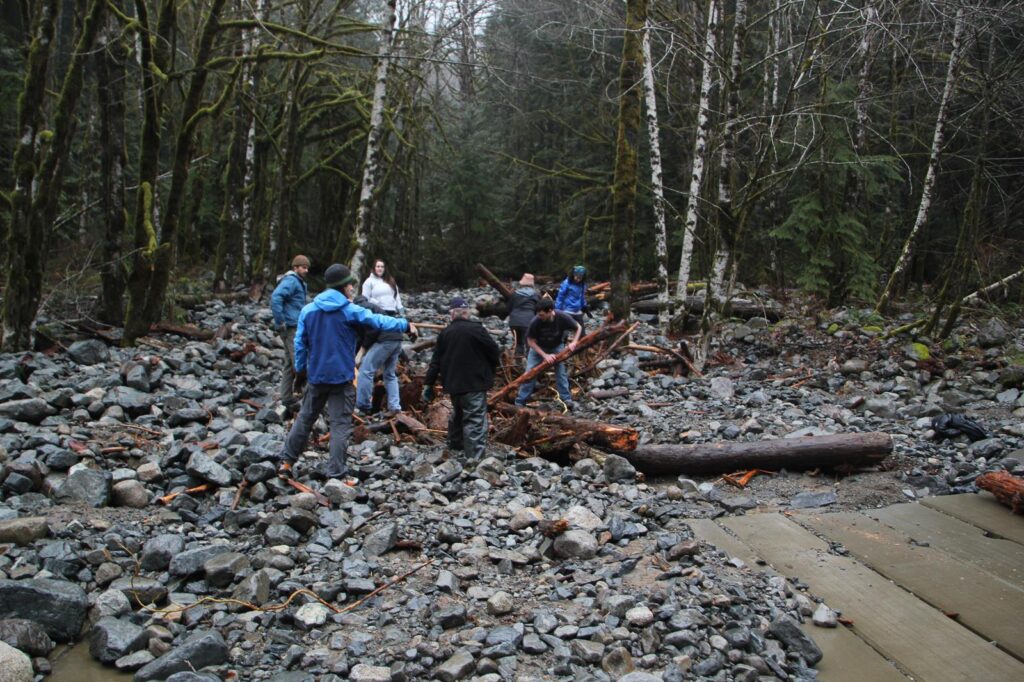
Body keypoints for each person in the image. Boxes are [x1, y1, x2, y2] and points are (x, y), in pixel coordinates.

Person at [277, 264, 416, 484]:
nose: (352, 287)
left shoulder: (308, 310)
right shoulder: (350, 311)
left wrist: (301, 371)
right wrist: (405, 325)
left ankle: (286, 463)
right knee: (340, 425)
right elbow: (379, 321)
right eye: (350, 283)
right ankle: (337, 474)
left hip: (316, 376)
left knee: (305, 419)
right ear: (343, 286)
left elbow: (300, 344)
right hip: (342, 378)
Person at [422, 297, 501, 461]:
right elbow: (494, 351)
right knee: (475, 420)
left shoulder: (445, 333)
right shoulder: (477, 329)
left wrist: (428, 384)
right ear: (467, 313)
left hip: (453, 384)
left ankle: (455, 449)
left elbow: (435, 362)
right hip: (475, 382)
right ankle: (475, 459)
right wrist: (491, 370)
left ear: (452, 314)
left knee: (458, 414)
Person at [515, 298, 582, 410]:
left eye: (542, 315)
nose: (540, 317)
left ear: (550, 311)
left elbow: (578, 327)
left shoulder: (562, 317)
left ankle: (566, 399)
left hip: (557, 346)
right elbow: (530, 341)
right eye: (538, 314)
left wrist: (574, 342)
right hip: (539, 348)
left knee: (561, 372)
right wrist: (545, 355)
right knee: (530, 372)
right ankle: (520, 401)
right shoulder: (535, 321)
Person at [353, 291, 406, 417]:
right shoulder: (375, 307)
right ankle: (395, 407)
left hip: (385, 340)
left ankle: (363, 406)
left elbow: (372, 331)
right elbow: (363, 336)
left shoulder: (361, 310)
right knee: (390, 374)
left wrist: (362, 351)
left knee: (366, 371)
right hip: (397, 338)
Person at [270, 255, 309, 407]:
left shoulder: (296, 281)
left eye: (307, 268)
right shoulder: (292, 281)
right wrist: (280, 322)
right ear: (295, 267)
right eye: (303, 267)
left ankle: (286, 397)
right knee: (299, 362)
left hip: (293, 325)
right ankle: (309, 398)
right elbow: (276, 298)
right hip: (291, 326)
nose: (306, 270)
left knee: (288, 363)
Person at [507, 273, 540, 359]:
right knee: (529, 343)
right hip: (528, 322)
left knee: (518, 343)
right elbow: (539, 310)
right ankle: (530, 365)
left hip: (514, 322)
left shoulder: (514, 294)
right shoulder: (536, 295)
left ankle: (518, 364)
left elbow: (509, 308)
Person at [555, 264, 589, 329]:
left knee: (581, 332)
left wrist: (584, 306)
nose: (578, 279)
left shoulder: (582, 284)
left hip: (577, 311)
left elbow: (582, 297)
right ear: (573, 274)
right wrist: (558, 310)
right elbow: (560, 297)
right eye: (576, 277)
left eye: (580, 278)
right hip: (567, 311)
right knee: (564, 331)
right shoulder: (566, 283)